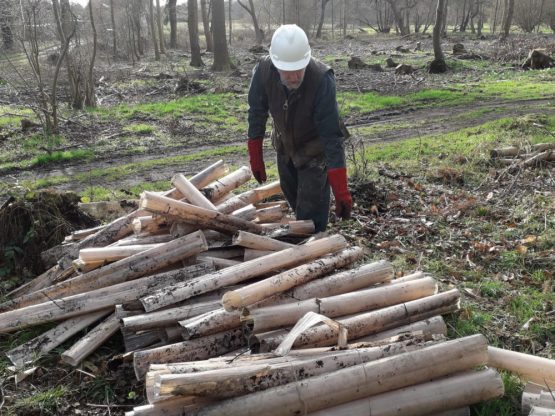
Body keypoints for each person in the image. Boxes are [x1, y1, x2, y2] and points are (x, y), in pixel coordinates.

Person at [246, 24, 352, 233]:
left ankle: (314, 251)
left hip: (315, 150)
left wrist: (340, 189)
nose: (294, 77)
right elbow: (256, 112)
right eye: (288, 72)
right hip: (285, 147)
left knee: (310, 215)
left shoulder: (322, 79)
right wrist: (255, 155)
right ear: (276, 66)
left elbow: (331, 137)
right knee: (294, 199)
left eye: (299, 70)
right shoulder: (263, 71)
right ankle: (303, 239)